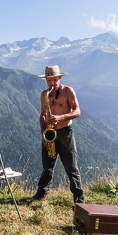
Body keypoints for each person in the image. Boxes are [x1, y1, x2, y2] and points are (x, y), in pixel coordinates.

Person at [32, 65, 85, 204]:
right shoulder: (44, 94)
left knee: (71, 167)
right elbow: (43, 115)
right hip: (49, 133)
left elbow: (77, 111)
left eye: (54, 80)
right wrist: (43, 134)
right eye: (49, 80)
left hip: (65, 133)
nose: (51, 83)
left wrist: (60, 117)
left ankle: (79, 199)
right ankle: (40, 195)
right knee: (47, 168)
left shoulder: (68, 91)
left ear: (60, 78)